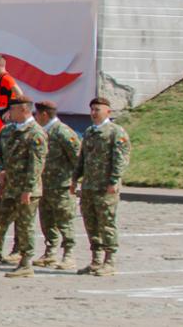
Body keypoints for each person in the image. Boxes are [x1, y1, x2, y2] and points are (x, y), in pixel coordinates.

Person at [0, 96, 46, 277]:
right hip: (8, 187)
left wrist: (28, 189)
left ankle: (26, 262)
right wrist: (0, 170)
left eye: (13, 109)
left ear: (24, 109)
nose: (9, 113)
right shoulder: (8, 130)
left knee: (25, 226)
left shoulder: (36, 133)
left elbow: (36, 164)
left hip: (27, 189)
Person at [75, 97, 129, 276]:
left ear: (108, 112)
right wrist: (75, 178)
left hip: (105, 186)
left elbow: (120, 159)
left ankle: (110, 260)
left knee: (106, 222)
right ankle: (96, 259)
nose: (93, 113)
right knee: (91, 222)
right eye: (92, 109)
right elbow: (82, 158)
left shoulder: (115, 132)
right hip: (89, 185)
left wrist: (114, 180)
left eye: (97, 109)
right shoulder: (90, 132)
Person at [34, 100, 82, 270]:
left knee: (64, 219)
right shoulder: (41, 132)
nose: (35, 117)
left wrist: (74, 179)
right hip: (44, 184)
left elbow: (78, 157)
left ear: (44, 114)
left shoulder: (62, 132)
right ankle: (50, 252)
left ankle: (69, 254)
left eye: (37, 114)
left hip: (61, 184)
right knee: (47, 219)